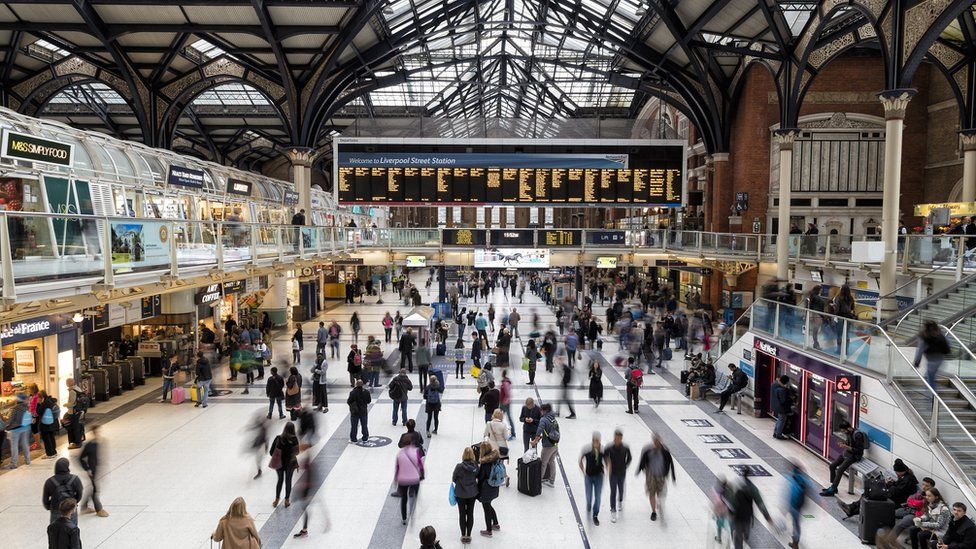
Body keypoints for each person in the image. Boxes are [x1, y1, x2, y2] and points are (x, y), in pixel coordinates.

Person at [840, 457, 919, 518]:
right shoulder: (904, 477)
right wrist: (889, 484)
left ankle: (852, 509)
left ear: (900, 471)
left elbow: (897, 492)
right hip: (893, 496)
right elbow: (896, 488)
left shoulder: (908, 480)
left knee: (871, 498)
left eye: (896, 472)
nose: (896, 474)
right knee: (868, 494)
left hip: (897, 501)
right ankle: (852, 507)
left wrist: (888, 486)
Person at [820, 420, 866, 496]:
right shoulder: (848, 433)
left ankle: (832, 489)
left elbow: (859, 450)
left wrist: (846, 447)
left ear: (848, 428)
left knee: (840, 470)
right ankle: (833, 487)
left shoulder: (857, 435)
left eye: (844, 431)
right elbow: (849, 443)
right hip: (847, 453)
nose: (844, 432)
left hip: (854, 456)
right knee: (832, 466)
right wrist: (843, 444)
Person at [729, 469, 772, 549]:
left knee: (738, 538)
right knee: (746, 534)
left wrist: (730, 513)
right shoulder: (753, 489)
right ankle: (744, 536)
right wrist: (767, 516)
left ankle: (740, 543)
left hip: (738, 516)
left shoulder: (738, 486)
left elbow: (733, 502)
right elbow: (760, 503)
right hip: (747, 516)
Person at [636, 434, 675, 521]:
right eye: (655, 441)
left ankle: (659, 503)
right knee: (651, 493)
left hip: (661, 475)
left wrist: (672, 476)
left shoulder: (665, 451)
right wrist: (639, 470)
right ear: (653, 441)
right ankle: (653, 512)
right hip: (651, 475)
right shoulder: (648, 450)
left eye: (658, 441)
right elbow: (643, 460)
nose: (657, 443)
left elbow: (670, 463)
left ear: (661, 440)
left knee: (661, 493)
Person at [78, 424, 108, 517]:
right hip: (91, 471)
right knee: (95, 489)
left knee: (93, 489)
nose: (98, 433)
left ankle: (84, 507)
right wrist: (87, 469)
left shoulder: (98, 443)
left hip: (96, 469)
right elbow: (80, 458)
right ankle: (99, 509)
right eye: (97, 432)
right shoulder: (89, 445)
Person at [915, 320, 950, 396]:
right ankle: (929, 392)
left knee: (931, 380)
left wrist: (916, 362)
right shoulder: (940, 334)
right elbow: (947, 344)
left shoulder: (925, 337)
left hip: (931, 361)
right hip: (941, 360)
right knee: (928, 376)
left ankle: (933, 397)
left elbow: (920, 350)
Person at [43, 458, 83, 524]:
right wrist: (73, 503)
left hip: (56, 510)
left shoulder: (49, 482)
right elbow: (79, 495)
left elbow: (45, 501)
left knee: (55, 532)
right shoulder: (75, 479)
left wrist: (52, 508)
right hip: (71, 510)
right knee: (72, 530)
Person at [785, 462, 816, 549]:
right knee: (796, 523)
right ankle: (795, 539)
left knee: (796, 524)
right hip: (800, 504)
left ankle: (796, 542)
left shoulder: (793, 477)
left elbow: (788, 492)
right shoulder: (803, 478)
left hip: (793, 505)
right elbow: (812, 489)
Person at [453, 447, 480, 544]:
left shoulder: (459, 466)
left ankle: (463, 534)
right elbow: (478, 475)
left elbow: (454, 478)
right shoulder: (475, 466)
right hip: (472, 493)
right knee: (470, 513)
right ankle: (469, 534)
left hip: (460, 493)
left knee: (462, 514)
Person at [394, 437, 425, 525]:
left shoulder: (400, 454)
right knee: (414, 497)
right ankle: (412, 513)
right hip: (414, 478)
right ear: (411, 443)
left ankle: (404, 518)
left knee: (404, 499)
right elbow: (420, 464)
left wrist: (396, 479)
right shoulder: (416, 451)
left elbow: (397, 467)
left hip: (403, 479)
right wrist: (422, 474)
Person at [270, 421, 300, 508]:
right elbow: (297, 452)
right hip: (290, 463)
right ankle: (287, 500)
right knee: (288, 481)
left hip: (279, 463)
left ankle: (276, 499)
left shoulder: (278, 438)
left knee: (280, 480)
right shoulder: (294, 439)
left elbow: (271, 452)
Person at [604, 429, 632, 523]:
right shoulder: (609, 448)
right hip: (613, 474)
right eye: (616, 438)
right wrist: (608, 464)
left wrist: (625, 466)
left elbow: (630, 458)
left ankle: (620, 500)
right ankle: (613, 511)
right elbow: (604, 456)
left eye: (619, 438)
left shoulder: (625, 448)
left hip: (622, 473)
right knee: (613, 491)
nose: (617, 440)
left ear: (621, 438)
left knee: (621, 490)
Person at [579, 431, 606, 525]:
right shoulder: (586, 449)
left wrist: (608, 469)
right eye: (594, 440)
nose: (596, 442)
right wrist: (583, 472)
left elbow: (607, 460)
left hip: (599, 476)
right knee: (589, 496)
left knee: (598, 497)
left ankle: (595, 515)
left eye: (598, 441)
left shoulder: (603, 450)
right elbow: (580, 460)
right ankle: (589, 504)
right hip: (589, 476)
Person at [531, 403, 560, 488]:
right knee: (552, 462)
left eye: (541, 410)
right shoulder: (553, 418)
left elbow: (539, 430)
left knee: (543, 464)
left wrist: (535, 441)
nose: (540, 412)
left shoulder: (543, 419)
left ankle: (538, 481)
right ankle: (551, 481)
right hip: (555, 444)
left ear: (545, 411)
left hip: (547, 446)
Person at [476, 441, 501, 537]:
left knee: (486, 508)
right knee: (489, 505)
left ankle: (489, 530)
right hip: (494, 486)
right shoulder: (495, 458)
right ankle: (495, 523)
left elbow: (481, 476)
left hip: (486, 488)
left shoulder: (485, 463)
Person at [6, 392, 33, 469]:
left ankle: (14, 463)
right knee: (25, 444)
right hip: (26, 427)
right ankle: (27, 460)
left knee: (14, 446)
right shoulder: (27, 407)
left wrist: (6, 426)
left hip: (15, 429)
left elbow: (10, 420)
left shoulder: (15, 408)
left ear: (18, 398)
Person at [64, 378, 86, 449]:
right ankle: (79, 441)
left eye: (66, 382)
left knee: (73, 427)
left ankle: (76, 443)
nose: (66, 384)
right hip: (79, 411)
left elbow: (72, 403)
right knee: (78, 427)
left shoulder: (72, 391)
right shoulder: (78, 388)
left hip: (74, 412)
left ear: (69, 383)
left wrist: (65, 404)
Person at [771, 375, 793, 439]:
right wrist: (791, 400)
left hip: (777, 406)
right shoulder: (782, 389)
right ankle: (778, 435)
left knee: (779, 420)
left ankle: (775, 433)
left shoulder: (775, 384)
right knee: (782, 421)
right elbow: (784, 401)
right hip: (781, 408)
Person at [498, 370, 515, 439]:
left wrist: (504, 402)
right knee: (500, 418)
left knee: (506, 418)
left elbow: (507, 394)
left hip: (505, 403)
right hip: (503, 402)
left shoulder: (505, 383)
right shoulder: (504, 382)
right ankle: (499, 432)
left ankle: (513, 433)